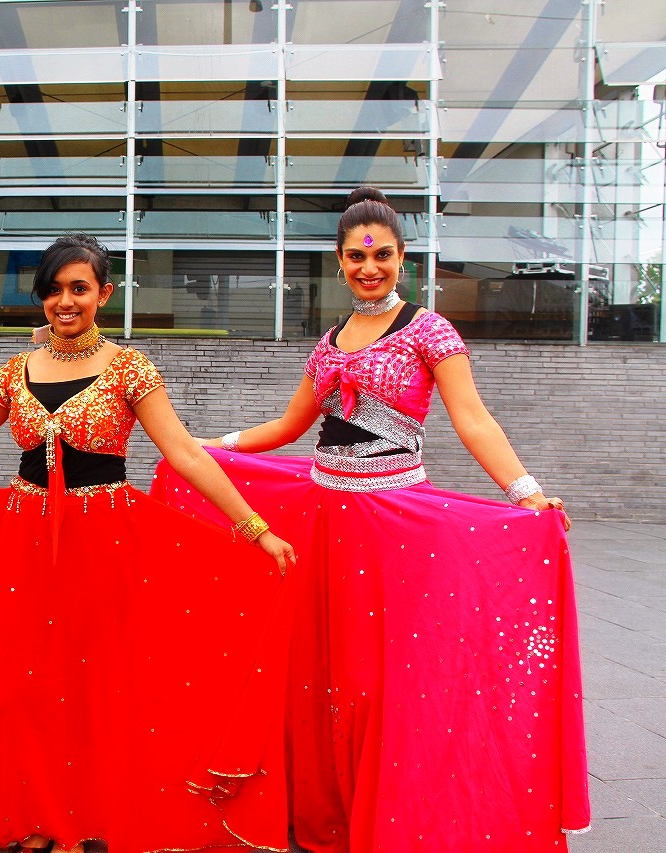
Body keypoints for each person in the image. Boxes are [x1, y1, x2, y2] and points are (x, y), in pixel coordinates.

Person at [153, 187, 590, 851]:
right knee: (322, 673)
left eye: (382, 254)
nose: (369, 266)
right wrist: (206, 448)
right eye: (357, 256)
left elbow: (472, 418)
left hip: (394, 524)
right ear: (339, 261)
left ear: (402, 258)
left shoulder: (429, 331)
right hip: (323, 518)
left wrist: (526, 491)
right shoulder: (328, 344)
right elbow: (289, 427)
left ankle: (388, 813)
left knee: (382, 681)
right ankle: (328, 805)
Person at [0, 233, 297, 853]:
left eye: (79, 288)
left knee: (92, 688)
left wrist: (254, 527)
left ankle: (80, 823)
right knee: (22, 686)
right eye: (53, 290)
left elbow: (184, 454)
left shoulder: (130, 368)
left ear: (105, 293)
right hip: (23, 544)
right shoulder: (17, 370)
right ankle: (34, 814)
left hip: (106, 544)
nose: (65, 301)